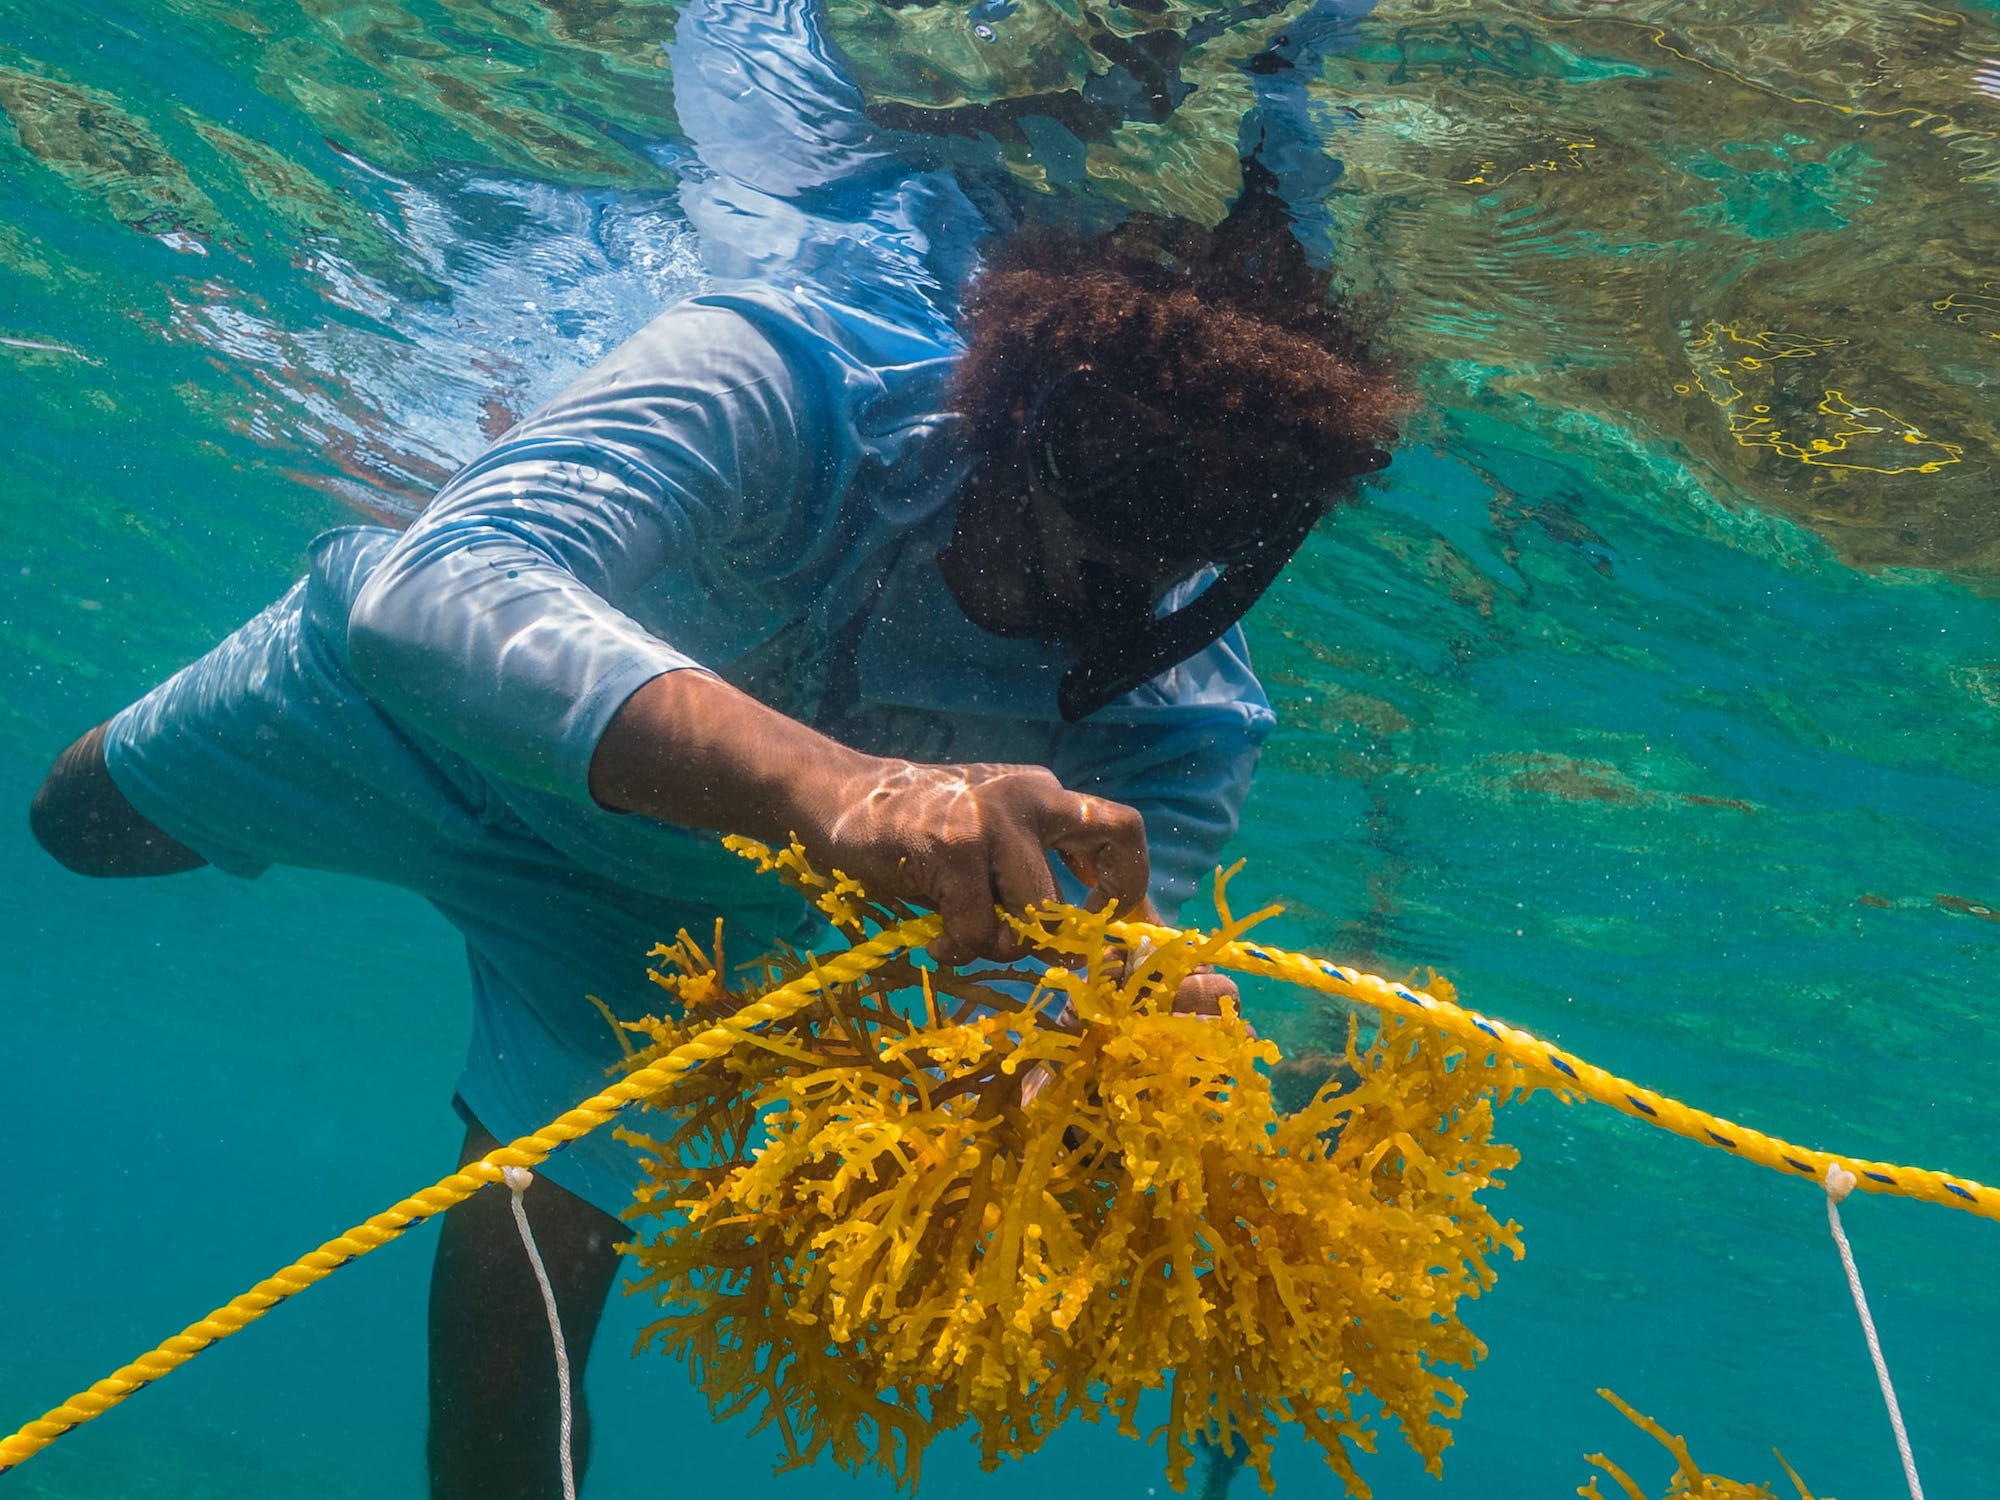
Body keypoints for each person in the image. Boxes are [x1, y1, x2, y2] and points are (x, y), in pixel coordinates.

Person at [27, 2, 1405, 1495]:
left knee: (516, 1346)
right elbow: (436, 592)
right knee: (78, 827)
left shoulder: (1182, 727)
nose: (1138, 557)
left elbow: (1020, 1005)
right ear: (1008, 412)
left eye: (1215, 524)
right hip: (402, 727)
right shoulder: (786, 373)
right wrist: (845, 792)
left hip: (656, 921)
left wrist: (1078, 1080)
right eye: (1112, 480)